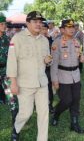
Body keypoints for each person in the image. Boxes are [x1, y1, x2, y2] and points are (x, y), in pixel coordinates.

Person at [7, 11, 52, 141]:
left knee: (44, 114)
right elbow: (12, 61)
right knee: (25, 113)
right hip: (25, 83)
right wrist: (13, 83)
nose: (38, 24)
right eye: (35, 22)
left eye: (40, 22)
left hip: (42, 83)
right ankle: (16, 128)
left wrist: (48, 61)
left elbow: (46, 59)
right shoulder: (17, 38)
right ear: (28, 23)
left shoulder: (44, 40)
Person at [50, 19, 84, 134]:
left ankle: (74, 123)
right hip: (63, 76)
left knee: (76, 99)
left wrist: (81, 58)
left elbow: (79, 55)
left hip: (75, 75)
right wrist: (54, 80)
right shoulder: (57, 43)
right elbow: (54, 63)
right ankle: (56, 114)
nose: (72, 29)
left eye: (73, 27)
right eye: (69, 27)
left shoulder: (76, 41)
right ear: (62, 29)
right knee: (66, 100)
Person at [0, 14, 19, 126]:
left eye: (4, 24)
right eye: (1, 24)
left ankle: (15, 126)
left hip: (5, 72)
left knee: (12, 98)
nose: (4, 26)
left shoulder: (7, 39)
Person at [41, 22, 54, 113]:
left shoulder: (51, 41)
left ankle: (50, 105)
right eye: (42, 29)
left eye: (46, 29)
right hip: (38, 69)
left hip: (48, 68)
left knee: (49, 87)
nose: (44, 31)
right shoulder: (34, 40)